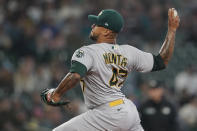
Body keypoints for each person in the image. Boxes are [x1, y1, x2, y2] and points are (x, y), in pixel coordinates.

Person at [41, 8, 180, 131]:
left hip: (106, 113)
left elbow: (76, 76)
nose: (92, 25)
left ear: (106, 31)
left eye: (97, 24)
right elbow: (161, 61)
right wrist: (172, 31)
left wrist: (56, 94)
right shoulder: (128, 51)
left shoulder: (87, 52)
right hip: (128, 111)